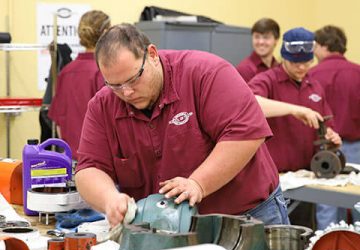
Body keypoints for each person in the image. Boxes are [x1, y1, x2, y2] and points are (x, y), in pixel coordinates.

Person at [74, 23, 297, 228]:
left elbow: (246, 134)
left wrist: (199, 183)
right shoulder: (103, 105)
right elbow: (88, 168)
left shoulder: (206, 73)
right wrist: (110, 200)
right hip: (168, 226)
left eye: (133, 79)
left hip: (247, 216)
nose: (126, 92)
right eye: (115, 85)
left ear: (152, 54)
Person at [248, 27, 342, 229]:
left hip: (306, 178)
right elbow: (250, 103)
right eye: (295, 63)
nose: (302, 68)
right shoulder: (268, 80)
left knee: (304, 233)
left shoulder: (314, 86)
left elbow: (326, 125)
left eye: (307, 62)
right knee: (278, 238)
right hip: (274, 184)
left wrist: (331, 135)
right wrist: (294, 110)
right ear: (283, 57)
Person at [309, 25, 360, 226]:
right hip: (357, 148)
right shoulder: (357, 73)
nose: (313, 51)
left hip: (324, 149)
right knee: (357, 203)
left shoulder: (311, 76)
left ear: (325, 46)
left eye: (315, 46)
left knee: (326, 206)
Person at [48, 10, 111, 160]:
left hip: (72, 160)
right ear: (106, 33)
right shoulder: (105, 71)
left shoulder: (66, 72)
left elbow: (59, 124)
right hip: (101, 162)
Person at [235, 18, 280, 83]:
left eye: (266, 37)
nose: (261, 42)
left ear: (276, 40)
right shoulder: (244, 69)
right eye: (257, 37)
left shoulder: (278, 67)